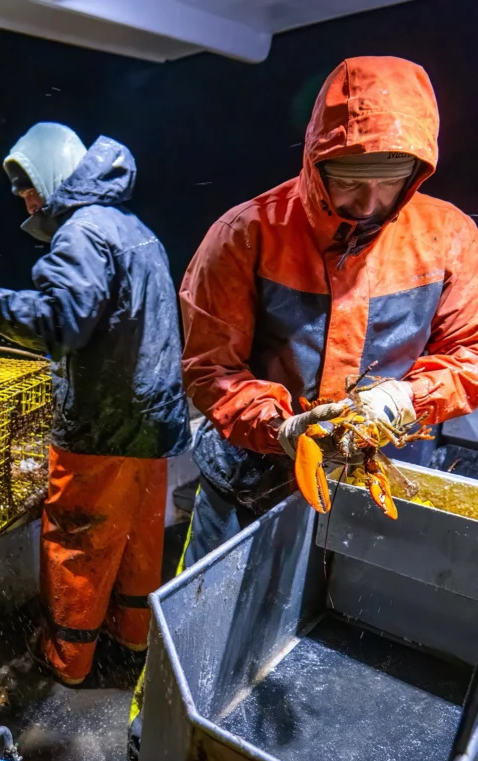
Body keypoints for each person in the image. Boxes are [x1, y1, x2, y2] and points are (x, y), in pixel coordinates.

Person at [179, 54, 478, 566]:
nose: (368, 201)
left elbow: (470, 353)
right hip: (248, 479)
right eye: (348, 179)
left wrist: (410, 398)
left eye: (389, 181)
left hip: (375, 476)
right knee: (202, 625)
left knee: (357, 617)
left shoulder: (450, 236)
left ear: (418, 169)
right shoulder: (244, 234)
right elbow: (211, 369)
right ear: (316, 162)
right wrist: (280, 428)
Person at [0, 123, 191, 686]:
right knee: (138, 540)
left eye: (29, 185)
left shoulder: (80, 234)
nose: (24, 199)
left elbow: (60, 322)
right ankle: (131, 644)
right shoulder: (134, 228)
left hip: (102, 430)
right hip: (156, 428)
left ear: (55, 174)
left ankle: (66, 660)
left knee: (77, 541)